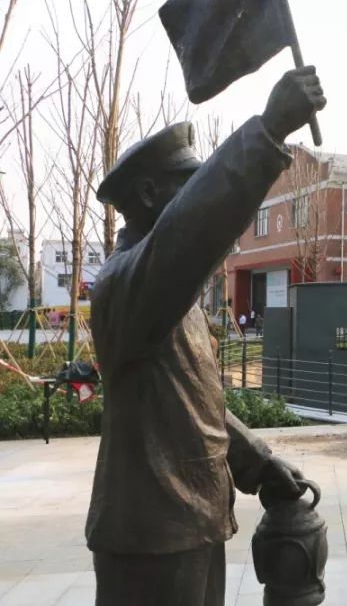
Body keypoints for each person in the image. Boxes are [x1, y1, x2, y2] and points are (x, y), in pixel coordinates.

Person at [88, 66, 326, 605]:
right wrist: (266, 133)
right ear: (149, 194)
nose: (197, 195)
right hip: (149, 536)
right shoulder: (126, 284)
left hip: (188, 522)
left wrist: (258, 463)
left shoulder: (170, 293)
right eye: (186, 185)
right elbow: (189, 231)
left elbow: (190, 405)